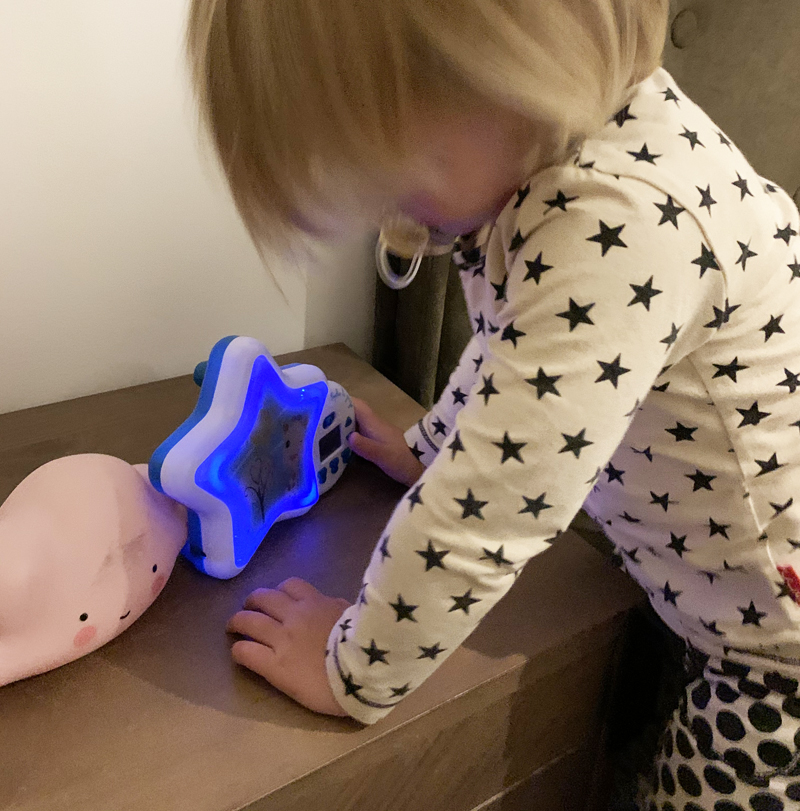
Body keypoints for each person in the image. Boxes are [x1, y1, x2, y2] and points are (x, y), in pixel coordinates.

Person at [188, 1, 800, 807]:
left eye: (395, 172)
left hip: (775, 656)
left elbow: (491, 509)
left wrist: (354, 667)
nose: (387, 210)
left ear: (513, 73)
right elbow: (516, 359)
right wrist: (429, 445)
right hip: (718, 594)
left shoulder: (618, 222)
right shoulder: (565, 160)